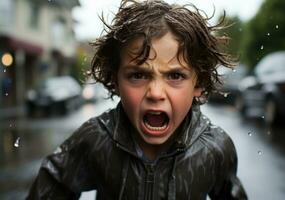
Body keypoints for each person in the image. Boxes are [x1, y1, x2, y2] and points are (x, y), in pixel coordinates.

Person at [27, 0, 247, 199]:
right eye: (138, 75)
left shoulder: (215, 148)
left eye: (175, 76)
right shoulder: (96, 140)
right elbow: (52, 182)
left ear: (198, 84)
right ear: (116, 80)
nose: (155, 93)